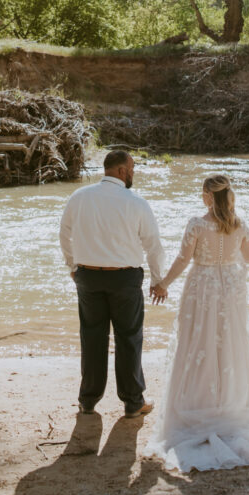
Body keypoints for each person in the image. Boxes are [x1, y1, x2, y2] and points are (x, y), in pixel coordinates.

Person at [146, 173, 249, 472]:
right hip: (230, 292)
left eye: (202, 193)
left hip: (203, 289)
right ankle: (232, 405)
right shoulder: (240, 224)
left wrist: (163, 284)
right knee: (231, 347)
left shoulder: (196, 224)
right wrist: (230, 252)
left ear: (209, 197)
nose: (201, 198)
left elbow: (184, 260)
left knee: (198, 344)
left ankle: (198, 406)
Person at [59, 149, 166, 418]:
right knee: (128, 338)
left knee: (92, 337)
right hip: (124, 278)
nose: (133, 173)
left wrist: (73, 267)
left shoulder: (79, 197)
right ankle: (133, 402)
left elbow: (64, 234)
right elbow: (153, 245)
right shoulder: (136, 202)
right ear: (120, 171)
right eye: (131, 168)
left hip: (89, 276)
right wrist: (157, 279)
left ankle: (88, 400)